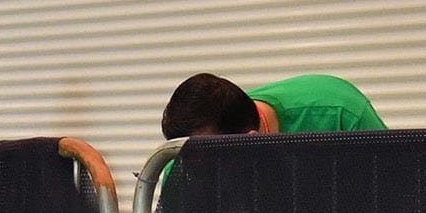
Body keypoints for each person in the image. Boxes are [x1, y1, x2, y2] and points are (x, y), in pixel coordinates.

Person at [161, 72, 387, 138]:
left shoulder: (341, 114)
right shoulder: (182, 158)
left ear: (250, 141)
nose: (192, 169)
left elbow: (404, 194)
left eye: (204, 161)